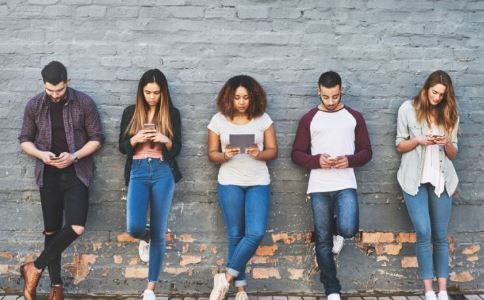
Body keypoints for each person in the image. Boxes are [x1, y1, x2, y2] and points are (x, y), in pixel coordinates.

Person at [18, 61, 104, 300]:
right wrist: (41, 154)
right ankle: (56, 288)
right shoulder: (34, 105)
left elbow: (97, 138)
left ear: (68, 82)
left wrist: (74, 155)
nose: (55, 95)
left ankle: (33, 267)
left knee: (76, 226)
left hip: (77, 172)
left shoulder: (84, 103)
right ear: (44, 85)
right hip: (48, 174)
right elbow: (24, 138)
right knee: (51, 231)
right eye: (50, 90)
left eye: (59, 89)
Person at [291, 71, 372, 300]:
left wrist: (350, 159)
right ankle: (332, 289)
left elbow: (367, 152)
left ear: (341, 91)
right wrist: (317, 161)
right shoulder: (309, 119)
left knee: (348, 228)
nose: (330, 101)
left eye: (335, 96)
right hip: (319, 186)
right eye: (325, 96)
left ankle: (338, 231)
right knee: (323, 240)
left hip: (345, 182)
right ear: (318, 91)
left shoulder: (354, 117)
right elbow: (296, 154)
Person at [207, 75, 278, 300]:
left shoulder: (263, 119)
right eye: (237, 97)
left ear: (253, 97)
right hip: (229, 182)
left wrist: (259, 153)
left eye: (246, 97)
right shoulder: (218, 120)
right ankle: (240, 289)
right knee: (235, 235)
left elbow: (273, 151)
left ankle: (225, 278)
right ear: (229, 98)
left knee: (255, 233)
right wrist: (223, 155)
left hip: (258, 182)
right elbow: (211, 154)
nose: (241, 102)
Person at [119, 69, 182, 300]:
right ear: (141, 91)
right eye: (148, 92)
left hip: (162, 171)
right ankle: (144, 238)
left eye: (156, 92)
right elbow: (122, 147)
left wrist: (165, 140)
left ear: (163, 92)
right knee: (134, 227)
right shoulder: (131, 112)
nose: (152, 97)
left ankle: (150, 289)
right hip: (137, 171)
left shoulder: (172, 114)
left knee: (159, 231)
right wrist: (136, 139)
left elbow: (177, 150)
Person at [395, 70, 459, 300]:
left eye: (442, 95)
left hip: (441, 179)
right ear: (426, 88)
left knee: (440, 235)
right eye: (434, 92)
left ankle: (442, 290)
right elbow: (400, 145)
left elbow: (453, 154)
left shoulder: (449, 112)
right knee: (424, 232)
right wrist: (419, 140)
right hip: (414, 179)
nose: (437, 98)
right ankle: (428, 291)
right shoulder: (407, 109)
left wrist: (447, 142)